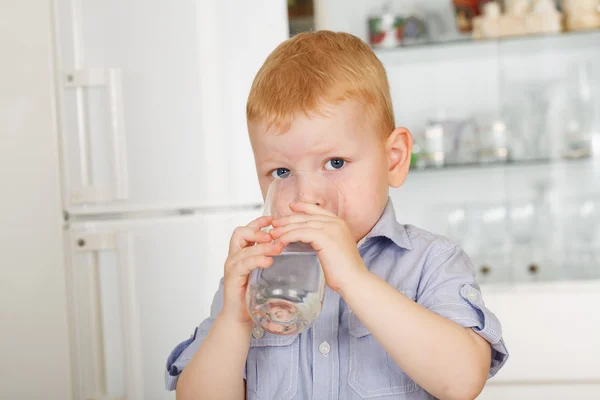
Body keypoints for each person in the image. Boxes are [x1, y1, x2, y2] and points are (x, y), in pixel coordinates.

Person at [165, 30, 508, 400]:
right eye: (281, 172)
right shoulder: (257, 276)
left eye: (335, 162)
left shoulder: (431, 262)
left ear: (393, 159)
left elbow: (462, 381)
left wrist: (354, 279)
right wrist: (233, 318)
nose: (307, 196)